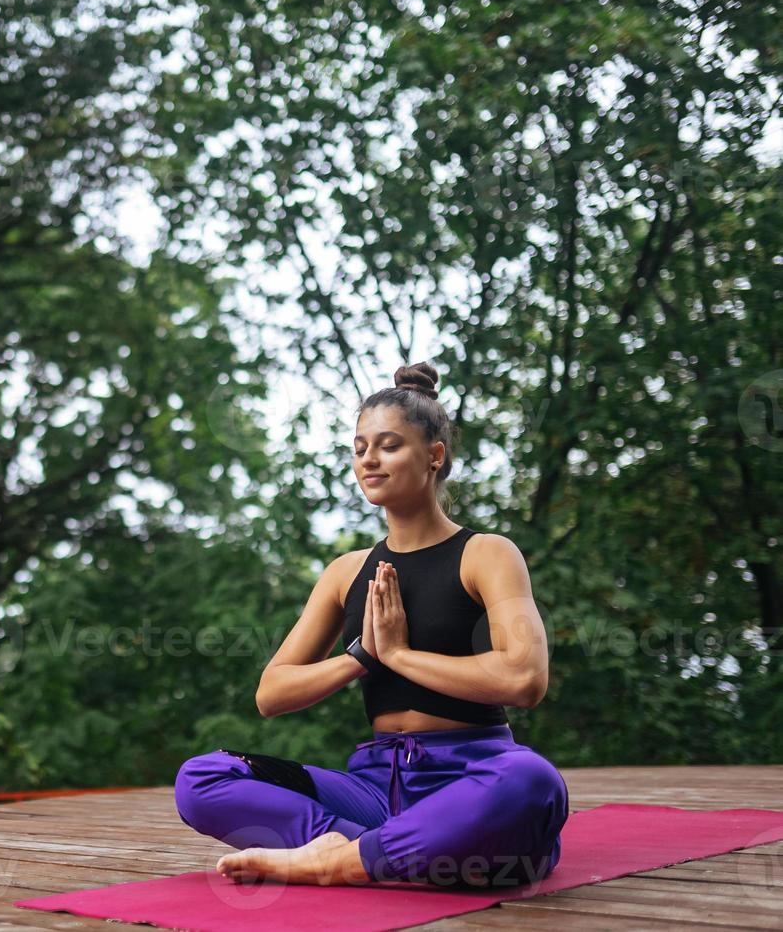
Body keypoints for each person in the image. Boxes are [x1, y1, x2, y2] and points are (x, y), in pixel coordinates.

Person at [174, 362, 569, 889]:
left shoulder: (486, 554)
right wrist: (361, 656)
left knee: (531, 780)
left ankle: (338, 861)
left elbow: (525, 679)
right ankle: (363, 848)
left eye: (387, 445)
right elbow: (272, 693)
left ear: (434, 455)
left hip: (471, 776)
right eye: (360, 448)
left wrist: (402, 656)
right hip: (372, 792)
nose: (368, 460)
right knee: (202, 777)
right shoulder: (345, 572)